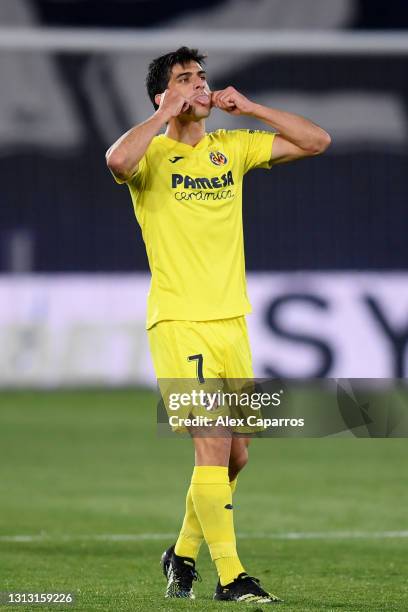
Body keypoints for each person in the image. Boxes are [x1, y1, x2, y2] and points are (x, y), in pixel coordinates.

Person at [106, 46, 330, 604]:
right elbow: (116, 161)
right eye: (186, 79)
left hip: (232, 321)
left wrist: (250, 108)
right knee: (212, 447)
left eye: (202, 77)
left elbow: (316, 141)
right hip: (181, 321)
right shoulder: (152, 157)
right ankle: (233, 578)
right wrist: (164, 113)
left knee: (236, 455)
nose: (200, 85)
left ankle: (181, 554)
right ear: (164, 94)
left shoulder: (230, 150)